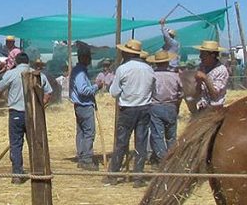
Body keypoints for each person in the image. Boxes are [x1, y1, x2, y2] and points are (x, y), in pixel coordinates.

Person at [105, 39, 155, 185]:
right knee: (141, 143)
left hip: (127, 109)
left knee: (121, 142)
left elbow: (114, 92)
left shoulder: (123, 69)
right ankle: (138, 177)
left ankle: (113, 175)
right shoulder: (149, 69)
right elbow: (154, 90)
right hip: (145, 108)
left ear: (126, 53)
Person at [0, 52, 52, 184]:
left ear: (16, 61)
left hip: (16, 113)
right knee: (35, 143)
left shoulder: (11, 73)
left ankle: (17, 174)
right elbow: (48, 93)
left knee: (16, 144)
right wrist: (41, 105)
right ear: (28, 62)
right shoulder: (37, 74)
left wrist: (8, 96)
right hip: (33, 114)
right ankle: (38, 171)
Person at [146, 50, 183, 167]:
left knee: (157, 135)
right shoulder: (175, 76)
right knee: (171, 136)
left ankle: (162, 159)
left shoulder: (152, 76)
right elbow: (181, 93)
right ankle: (172, 158)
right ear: (167, 62)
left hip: (156, 106)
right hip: (171, 106)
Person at [69, 42, 99, 171]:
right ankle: (86, 159)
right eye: (89, 57)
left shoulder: (78, 71)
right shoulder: (80, 72)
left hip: (79, 106)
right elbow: (83, 90)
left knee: (81, 132)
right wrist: (97, 86)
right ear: (85, 58)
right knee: (89, 132)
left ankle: (82, 156)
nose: (91, 60)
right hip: (84, 105)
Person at [194, 40, 229, 111]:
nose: (200, 56)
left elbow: (215, 96)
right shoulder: (201, 67)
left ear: (212, 55)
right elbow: (197, 92)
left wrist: (205, 78)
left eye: (203, 54)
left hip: (215, 109)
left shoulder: (221, 70)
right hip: (202, 107)